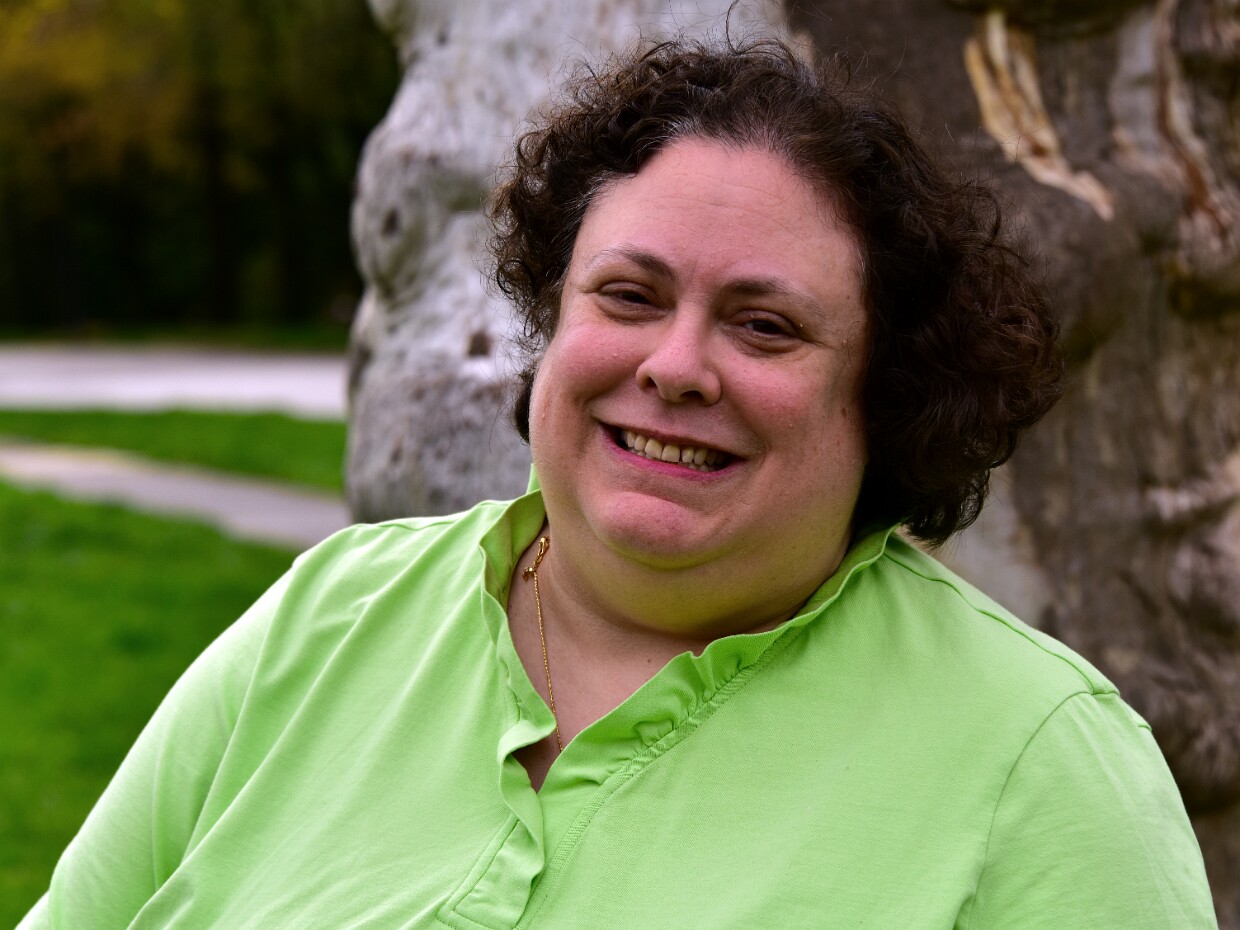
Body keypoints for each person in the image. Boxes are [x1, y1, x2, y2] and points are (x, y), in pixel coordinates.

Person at [20, 36, 1217, 930]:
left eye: (763, 326)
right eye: (629, 296)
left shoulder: (1038, 763)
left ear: (887, 394)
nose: (676, 366)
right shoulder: (330, 616)